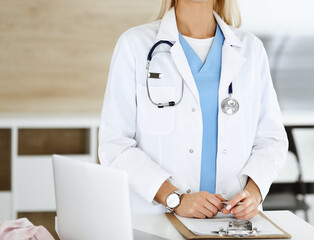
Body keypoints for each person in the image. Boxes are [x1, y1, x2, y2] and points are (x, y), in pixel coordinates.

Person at [98, 0, 288, 220]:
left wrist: (254, 194)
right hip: (159, 219)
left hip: (234, 222)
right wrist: (175, 198)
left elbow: (272, 140)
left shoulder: (251, 49)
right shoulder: (135, 45)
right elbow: (115, 145)